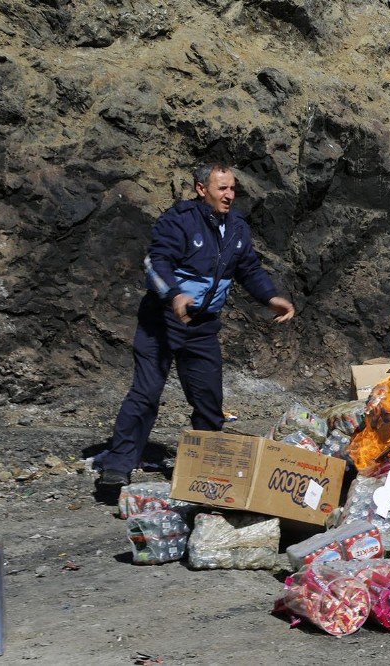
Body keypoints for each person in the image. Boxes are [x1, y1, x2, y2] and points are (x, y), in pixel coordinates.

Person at [96, 163, 295, 486]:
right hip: (161, 321)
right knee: (146, 393)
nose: (229, 196)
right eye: (222, 189)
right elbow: (156, 262)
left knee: (208, 400)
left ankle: (206, 468)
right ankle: (118, 465)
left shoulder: (237, 227)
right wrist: (174, 295)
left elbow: (249, 269)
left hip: (202, 326)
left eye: (232, 189)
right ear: (202, 189)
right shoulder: (179, 221)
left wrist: (270, 298)